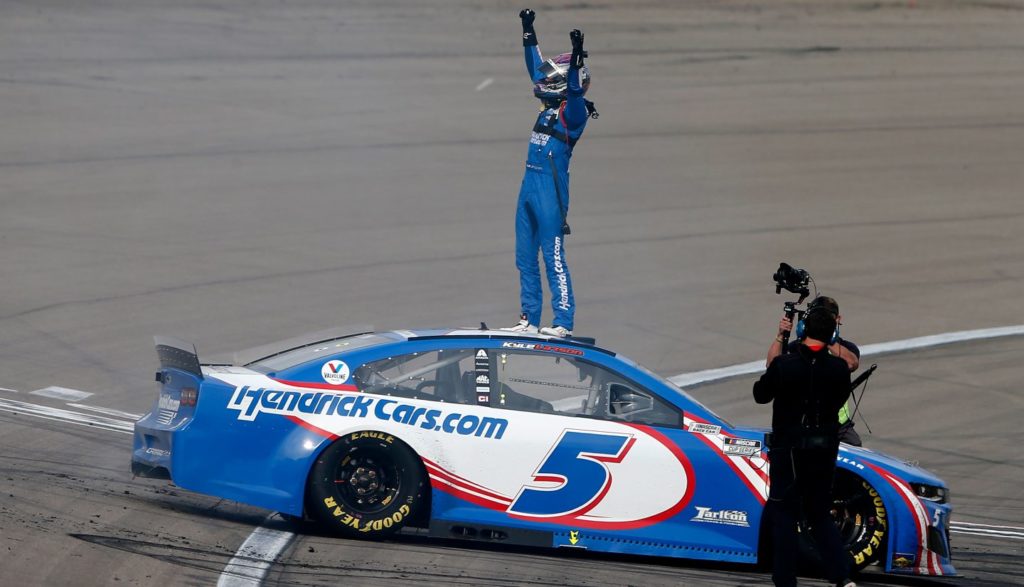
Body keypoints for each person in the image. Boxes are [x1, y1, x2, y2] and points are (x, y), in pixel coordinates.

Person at [502, 8, 597, 338]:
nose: (543, 81)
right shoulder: (546, 108)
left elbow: (572, 91)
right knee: (524, 258)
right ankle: (527, 318)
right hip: (528, 187)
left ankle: (563, 322)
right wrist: (528, 29)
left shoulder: (573, 114)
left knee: (553, 259)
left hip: (550, 194)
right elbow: (534, 65)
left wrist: (575, 66)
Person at [754, 306, 857, 587]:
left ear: (803, 330)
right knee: (819, 514)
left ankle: (785, 580)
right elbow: (837, 401)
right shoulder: (837, 368)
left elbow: (760, 395)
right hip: (822, 450)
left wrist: (780, 341)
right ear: (832, 334)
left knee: (785, 513)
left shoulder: (785, 365)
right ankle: (842, 576)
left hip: (788, 450)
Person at [767, 295, 863, 446]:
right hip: (803, 423)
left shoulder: (846, 348)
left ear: (838, 319)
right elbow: (772, 367)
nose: (822, 320)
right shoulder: (797, 347)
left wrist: (825, 336)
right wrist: (780, 336)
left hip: (838, 425)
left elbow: (851, 363)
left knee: (857, 453)